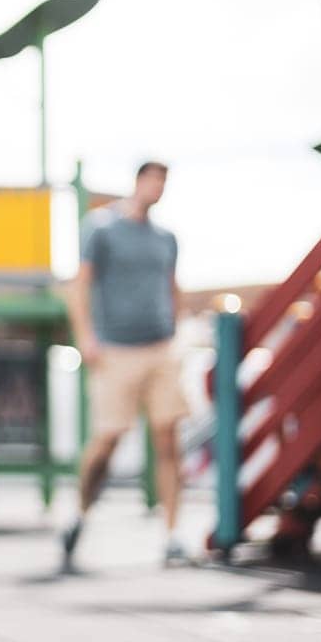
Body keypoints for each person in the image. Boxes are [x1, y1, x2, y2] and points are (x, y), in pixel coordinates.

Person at [60, 161, 190, 570]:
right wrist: (85, 337)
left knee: (168, 438)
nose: (159, 188)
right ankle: (79, 514)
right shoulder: (101, 228)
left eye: (164, 182)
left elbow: (172, 287)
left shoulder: (166, 238)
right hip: (116, 348)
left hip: (159, 348)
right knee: (108, 439)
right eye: (154, 180)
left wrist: (177, 330)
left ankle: (172, 535)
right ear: (138, 182)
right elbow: (79, 285)